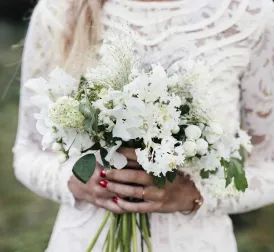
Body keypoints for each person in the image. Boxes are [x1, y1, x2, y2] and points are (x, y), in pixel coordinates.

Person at [13, 0, 274, 251]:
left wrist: (195, 195)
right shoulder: (60, 9)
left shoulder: (251, 14)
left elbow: (268, 168)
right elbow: (27, 150)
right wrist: (74, 181)